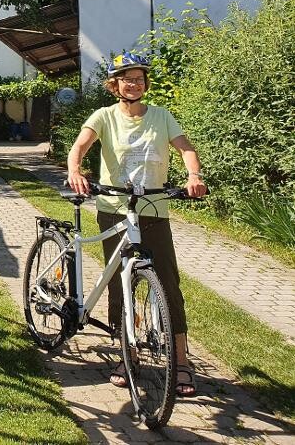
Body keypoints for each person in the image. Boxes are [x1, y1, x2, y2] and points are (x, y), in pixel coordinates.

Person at [66, 51, 207, 397]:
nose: (134, 83)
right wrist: (74, 171)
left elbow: (185, 148)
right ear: (115, 85)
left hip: (153, 209)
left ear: (145, 83)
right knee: (118, 283)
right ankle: (125, 354)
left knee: (168, 284)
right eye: (127, 79)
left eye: (139, 78)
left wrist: (193, 175)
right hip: (114, 207)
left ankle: (182, 361)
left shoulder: (161, 116)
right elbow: (80, 146)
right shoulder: (104, 116)